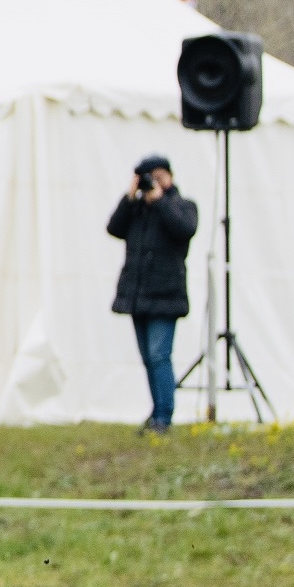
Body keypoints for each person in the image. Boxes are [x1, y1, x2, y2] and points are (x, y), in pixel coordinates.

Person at [109, 155, 198, 433]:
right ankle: (157, 411)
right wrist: (130, 195)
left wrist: (160, 200)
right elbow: (114, 228)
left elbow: (185, 228)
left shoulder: (182, 206)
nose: (153, 182)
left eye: (158, 176)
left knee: (160, 355)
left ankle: (164, 416)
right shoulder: (137, 211)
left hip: (166, 296)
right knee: (149, 357)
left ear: (169, 177)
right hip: (138, 295)